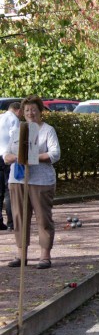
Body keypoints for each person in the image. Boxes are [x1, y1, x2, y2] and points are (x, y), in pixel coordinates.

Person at [3, 96, 61, 269]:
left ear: (40, 111)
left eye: (33, 109)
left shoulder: (47, 130)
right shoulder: (17, 130)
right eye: (27, 110)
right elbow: (6, 154)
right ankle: (21, 255)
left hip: (41, 181)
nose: (30, 113)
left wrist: (32, 157)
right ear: (22, 112)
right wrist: (14, 158)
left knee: (43, 218)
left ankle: (45, 255)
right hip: (18, 180)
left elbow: (54, 154)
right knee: (19, 218)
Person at [0, 102, 21, 231]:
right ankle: (11, 222)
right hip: (6, 156)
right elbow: (15, 138)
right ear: (18, 110)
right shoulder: (14, 119)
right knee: (9, 189)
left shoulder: (1, 117)